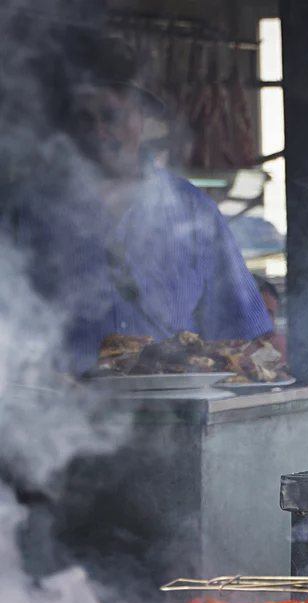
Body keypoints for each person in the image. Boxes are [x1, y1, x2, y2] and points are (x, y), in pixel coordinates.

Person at [6, 36, 272, 375]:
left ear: (141, 119)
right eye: (84, 119)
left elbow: (242, 330)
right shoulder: (26, 211)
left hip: (177, 415)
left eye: (111, 116)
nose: (99, 131)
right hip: (64, 414)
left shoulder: (193, 209)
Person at [255, 275, 287, 359]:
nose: (265, 321)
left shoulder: (284, 347)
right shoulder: (223, 352)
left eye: (269, 314)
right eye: (257, 314)